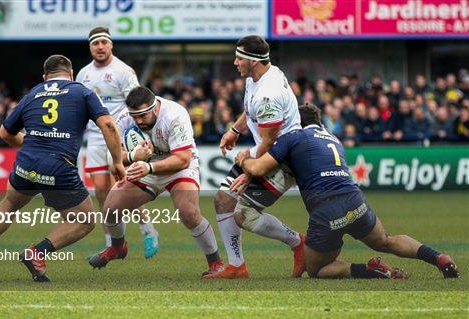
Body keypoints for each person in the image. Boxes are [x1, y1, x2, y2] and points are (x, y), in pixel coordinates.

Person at [236, 103, 459, 279]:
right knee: (385, 240)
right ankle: (438, 257)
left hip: (326, 211)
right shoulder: (333, 139)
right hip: (355, 200)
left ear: (296, 121)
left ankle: (372, 270)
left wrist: (245, 160)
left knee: (317, 270)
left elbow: (258, 168)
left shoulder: (293, 137)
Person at [0, 55, 125, 282]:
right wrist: (117, 161)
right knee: (85, 220)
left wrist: (29, 145)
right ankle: (37, 253)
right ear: (71, 73)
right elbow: (108, 124)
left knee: (10, 202)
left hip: (25, 164)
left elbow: (4, 133)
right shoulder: (82, 91)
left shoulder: (33, 93)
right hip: (58, 167)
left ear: (45, 77)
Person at [88, 86, 224, 277]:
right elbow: (113, 158)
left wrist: (148, 167)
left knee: (188, 212)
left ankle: (216, 262)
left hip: (178, 168)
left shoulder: (175, 114)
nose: (138, 120)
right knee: (110, 209)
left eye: (143, 115)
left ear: (155, 107)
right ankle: (118, 247)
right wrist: (135, 155)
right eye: (135, 116)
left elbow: (183, 158)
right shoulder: (125, 117)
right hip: (146, 167)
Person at [204, 35, 305, 279]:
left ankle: (299, 243)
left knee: (242, 214)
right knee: (223, 200)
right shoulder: (258, 76)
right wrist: (235, 130)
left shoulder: (267, 95)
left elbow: (270, 140)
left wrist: (250, 171)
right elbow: (250, 110)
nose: (235, 62)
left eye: (239, 58)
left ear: (253, 61)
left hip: (282, 160)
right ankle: (237, 266)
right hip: (265, 152)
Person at [76, 27, 159, 259]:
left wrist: (136, 136)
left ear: (111, 45)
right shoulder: (83, 74)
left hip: (119, 136)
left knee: (121, 188)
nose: (100, 47)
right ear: (90, 47)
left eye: (104, 42)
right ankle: (113, 242)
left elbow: (137, 103)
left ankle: (147, 229)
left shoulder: (123, 71)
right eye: (95, 43)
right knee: (102, 191)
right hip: (94, 137)